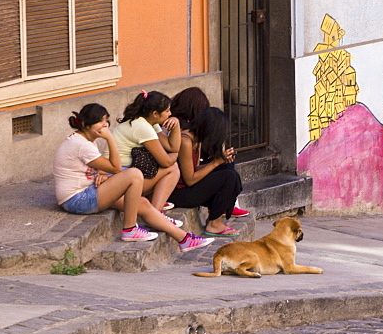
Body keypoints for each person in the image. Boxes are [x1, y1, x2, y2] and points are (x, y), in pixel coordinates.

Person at [54, 104, 212, 251]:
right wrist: (109, 139)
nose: (105, 126)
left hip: (87, 191)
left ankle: (184, 239)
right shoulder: (83, 144)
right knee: (134, 174)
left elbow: (97, 168)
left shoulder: (85, 140)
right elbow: (115, 168)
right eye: (100, 122)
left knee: (141, 202)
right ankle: (129, 228)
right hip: (78, 199)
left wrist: (102, 175)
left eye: (106, 121)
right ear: (85, 125)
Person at [167, 96, 243, 237]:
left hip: (186, 186)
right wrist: (215, 162)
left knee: (227, 167)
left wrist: (220, 161)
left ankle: (217, 215)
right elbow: (189, 179)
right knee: (228, 176)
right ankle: (214, 224)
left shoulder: (197, 140)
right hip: (177, 194)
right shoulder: (186, 141)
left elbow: (194, 169)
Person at [111, 90, 182, 212]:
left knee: (163, 166)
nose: (170, 114)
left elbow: (171, 147)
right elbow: (166, 161)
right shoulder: (142, 127)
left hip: (124, 175)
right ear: (155, 113)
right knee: (173, 168)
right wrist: (176, 154)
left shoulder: (146, 122)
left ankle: (155, 211)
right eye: (167, 111)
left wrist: (176, 125)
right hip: (118, 180)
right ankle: (155, 215)